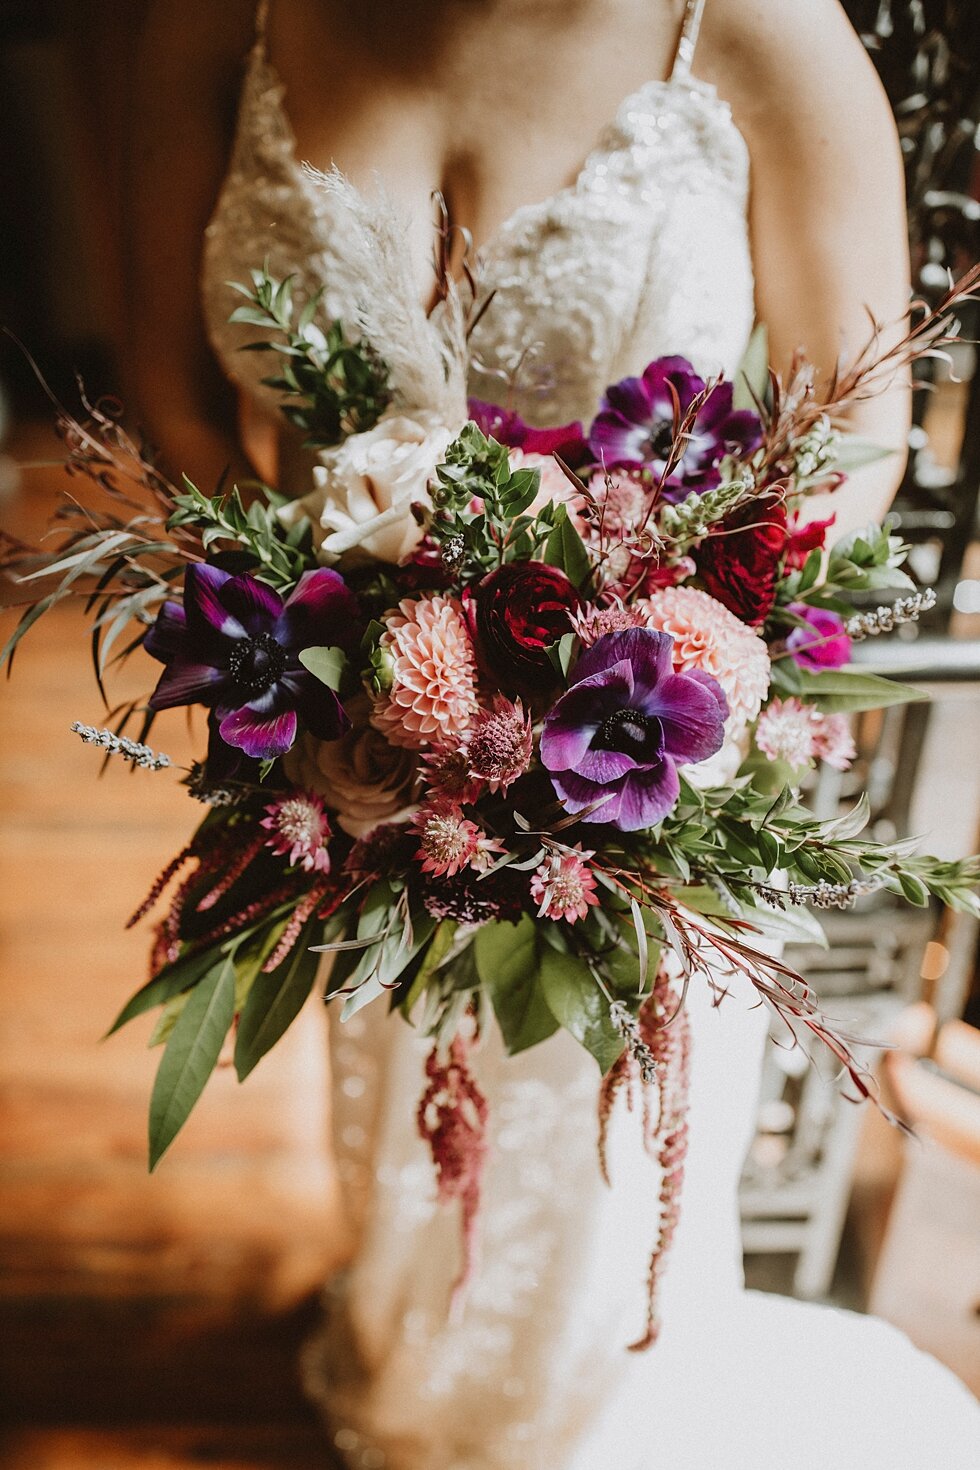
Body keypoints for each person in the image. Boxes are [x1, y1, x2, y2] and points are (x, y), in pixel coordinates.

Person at [124, 2, 980, 1466]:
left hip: (637, 752)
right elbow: (162, 380)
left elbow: (862, 432)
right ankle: (415, 1363)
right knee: (405, 1089)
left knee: (596, 1157)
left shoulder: (760, 29)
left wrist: (625, 642)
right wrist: (328, 657)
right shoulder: (207, 23)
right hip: (346, 753)